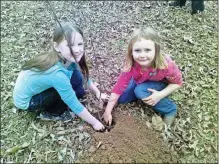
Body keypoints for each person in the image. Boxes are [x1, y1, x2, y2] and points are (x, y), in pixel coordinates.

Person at [13, 21, 107, 131]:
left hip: (37, 88)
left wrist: (97, 92)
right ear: (57, 47)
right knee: (63, 93)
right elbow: (73, 103)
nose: (76, 50)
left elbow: (81, 75)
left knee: (76, 76)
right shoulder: (57, 74)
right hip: (28, 101)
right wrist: (95, 123)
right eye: (70, 45)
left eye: (80, 44)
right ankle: (52, 113)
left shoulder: (65, 58)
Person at [103, 27, 183, 127]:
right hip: (140, 79)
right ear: (131, 51)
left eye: (147, 50)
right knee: (122, 98)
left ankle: (169, 109)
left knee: (140, 91)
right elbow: (118, 88)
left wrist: (160, 95)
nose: (142, 55)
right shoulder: (131, 64)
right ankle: (140, 94)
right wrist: (107, 111)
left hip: (160, 82)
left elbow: (178, 83)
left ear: (156, 50)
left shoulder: (166, 64)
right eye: (137, 50)